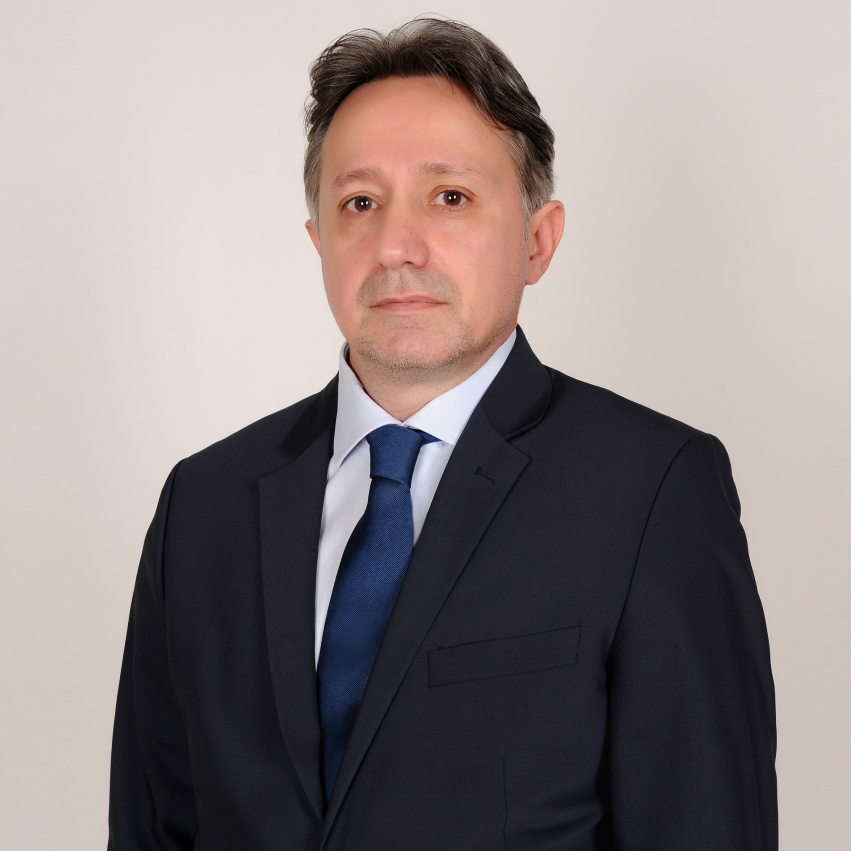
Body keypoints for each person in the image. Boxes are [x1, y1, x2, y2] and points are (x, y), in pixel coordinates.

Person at [107, 18, 777, 851]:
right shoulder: (203, 503)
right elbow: (154, 826)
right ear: (319, 242)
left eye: (449, 197)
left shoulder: (651, 489)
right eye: (359, 203)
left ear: (536, 240)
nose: (396, 245)